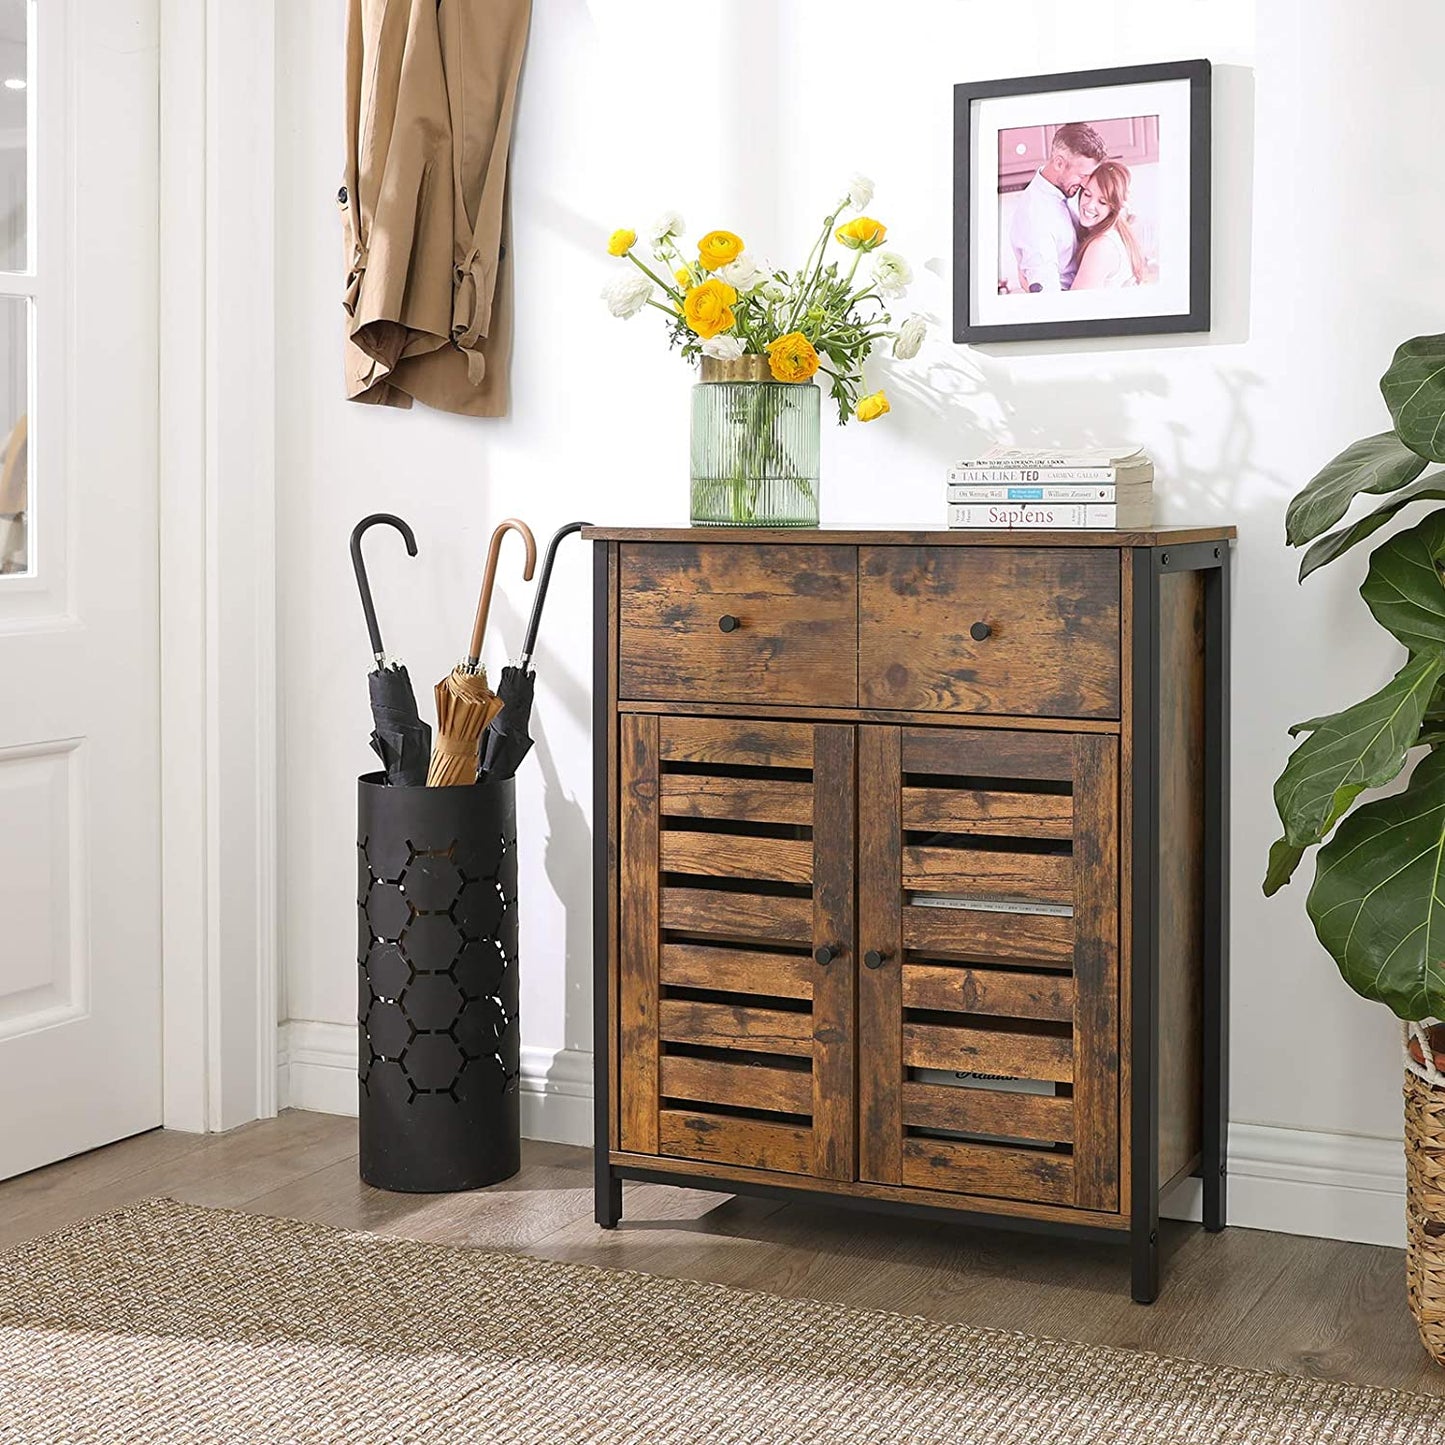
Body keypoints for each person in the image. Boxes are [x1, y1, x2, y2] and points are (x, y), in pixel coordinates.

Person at [1007, 121, 1107, 292]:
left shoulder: (1069, 191)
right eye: (1082, 175)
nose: (1085, 184)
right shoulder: (1035, 216)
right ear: (1059, 163)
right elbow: (1047, 298)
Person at [1070, 161, 1147, 290]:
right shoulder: (1118, 230)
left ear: (1113, 207)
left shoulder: (1101, 246)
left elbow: (1076, 306)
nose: (1089, 205)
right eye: (1087, 194)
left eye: (1102, 202)